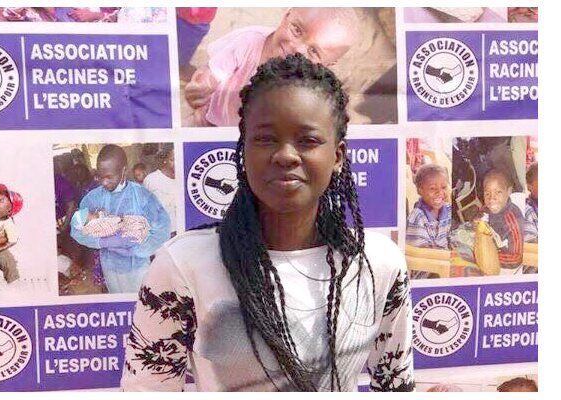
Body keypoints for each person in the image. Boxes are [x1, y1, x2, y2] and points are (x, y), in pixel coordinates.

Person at [121, 54, 414, 392]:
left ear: (337, 156)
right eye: (265, 138)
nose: (286, 155)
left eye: (307, 140)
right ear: (243, 150)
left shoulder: (378, 263)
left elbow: (395, 386)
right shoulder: (183, 265)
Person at [183, 7, 360, 127]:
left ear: (328, 65)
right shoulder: (248, 41)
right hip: (210, 119)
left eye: (313, 51)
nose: (296, 48)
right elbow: (214, 71)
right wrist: (203, 85)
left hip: (255, 140)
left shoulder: (314, 84)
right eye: (296, 30)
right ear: (286, 15)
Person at [70, 144, 170, 293]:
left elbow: (163, 229)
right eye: (100, 177)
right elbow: (77, 229)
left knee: (140, 301)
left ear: (123, 171)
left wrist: (136, 250)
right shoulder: (93, 198)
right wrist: (102, 242)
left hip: (137, 267)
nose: (104, 182)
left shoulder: (142, 196)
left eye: (109, 177)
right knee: (117, 298)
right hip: (109, 267)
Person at [406, 164, 451, 279]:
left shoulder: (448, 210)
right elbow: (420, 253)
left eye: (444, 187)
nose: (439, 192)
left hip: (445, 263)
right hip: (427, 272)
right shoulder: (417, 217)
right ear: (420, 190)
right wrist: (450, 256)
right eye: (432, 188)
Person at [481, 169, 524, 274]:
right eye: (487, 194)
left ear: (509, 192)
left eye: (498, 192)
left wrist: (489, 256)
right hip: (490, 248)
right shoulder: (489, 208)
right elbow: (482, 213)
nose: (492, 199)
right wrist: (477, 220)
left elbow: (517, 258)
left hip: (508, 266)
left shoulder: (513, 221)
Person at [143, 145, 177, 237]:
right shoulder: (152, 179)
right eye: (173, 160)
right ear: (165, 160)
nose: (177, 163)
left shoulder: (185, 181)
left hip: (179, 234)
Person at [0, 184, 23, 284]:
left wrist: (0, 248)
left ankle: (14, 281)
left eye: (1, 200)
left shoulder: (7, 222)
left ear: (9, 211)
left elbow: (12, 240)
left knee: (7, 259)